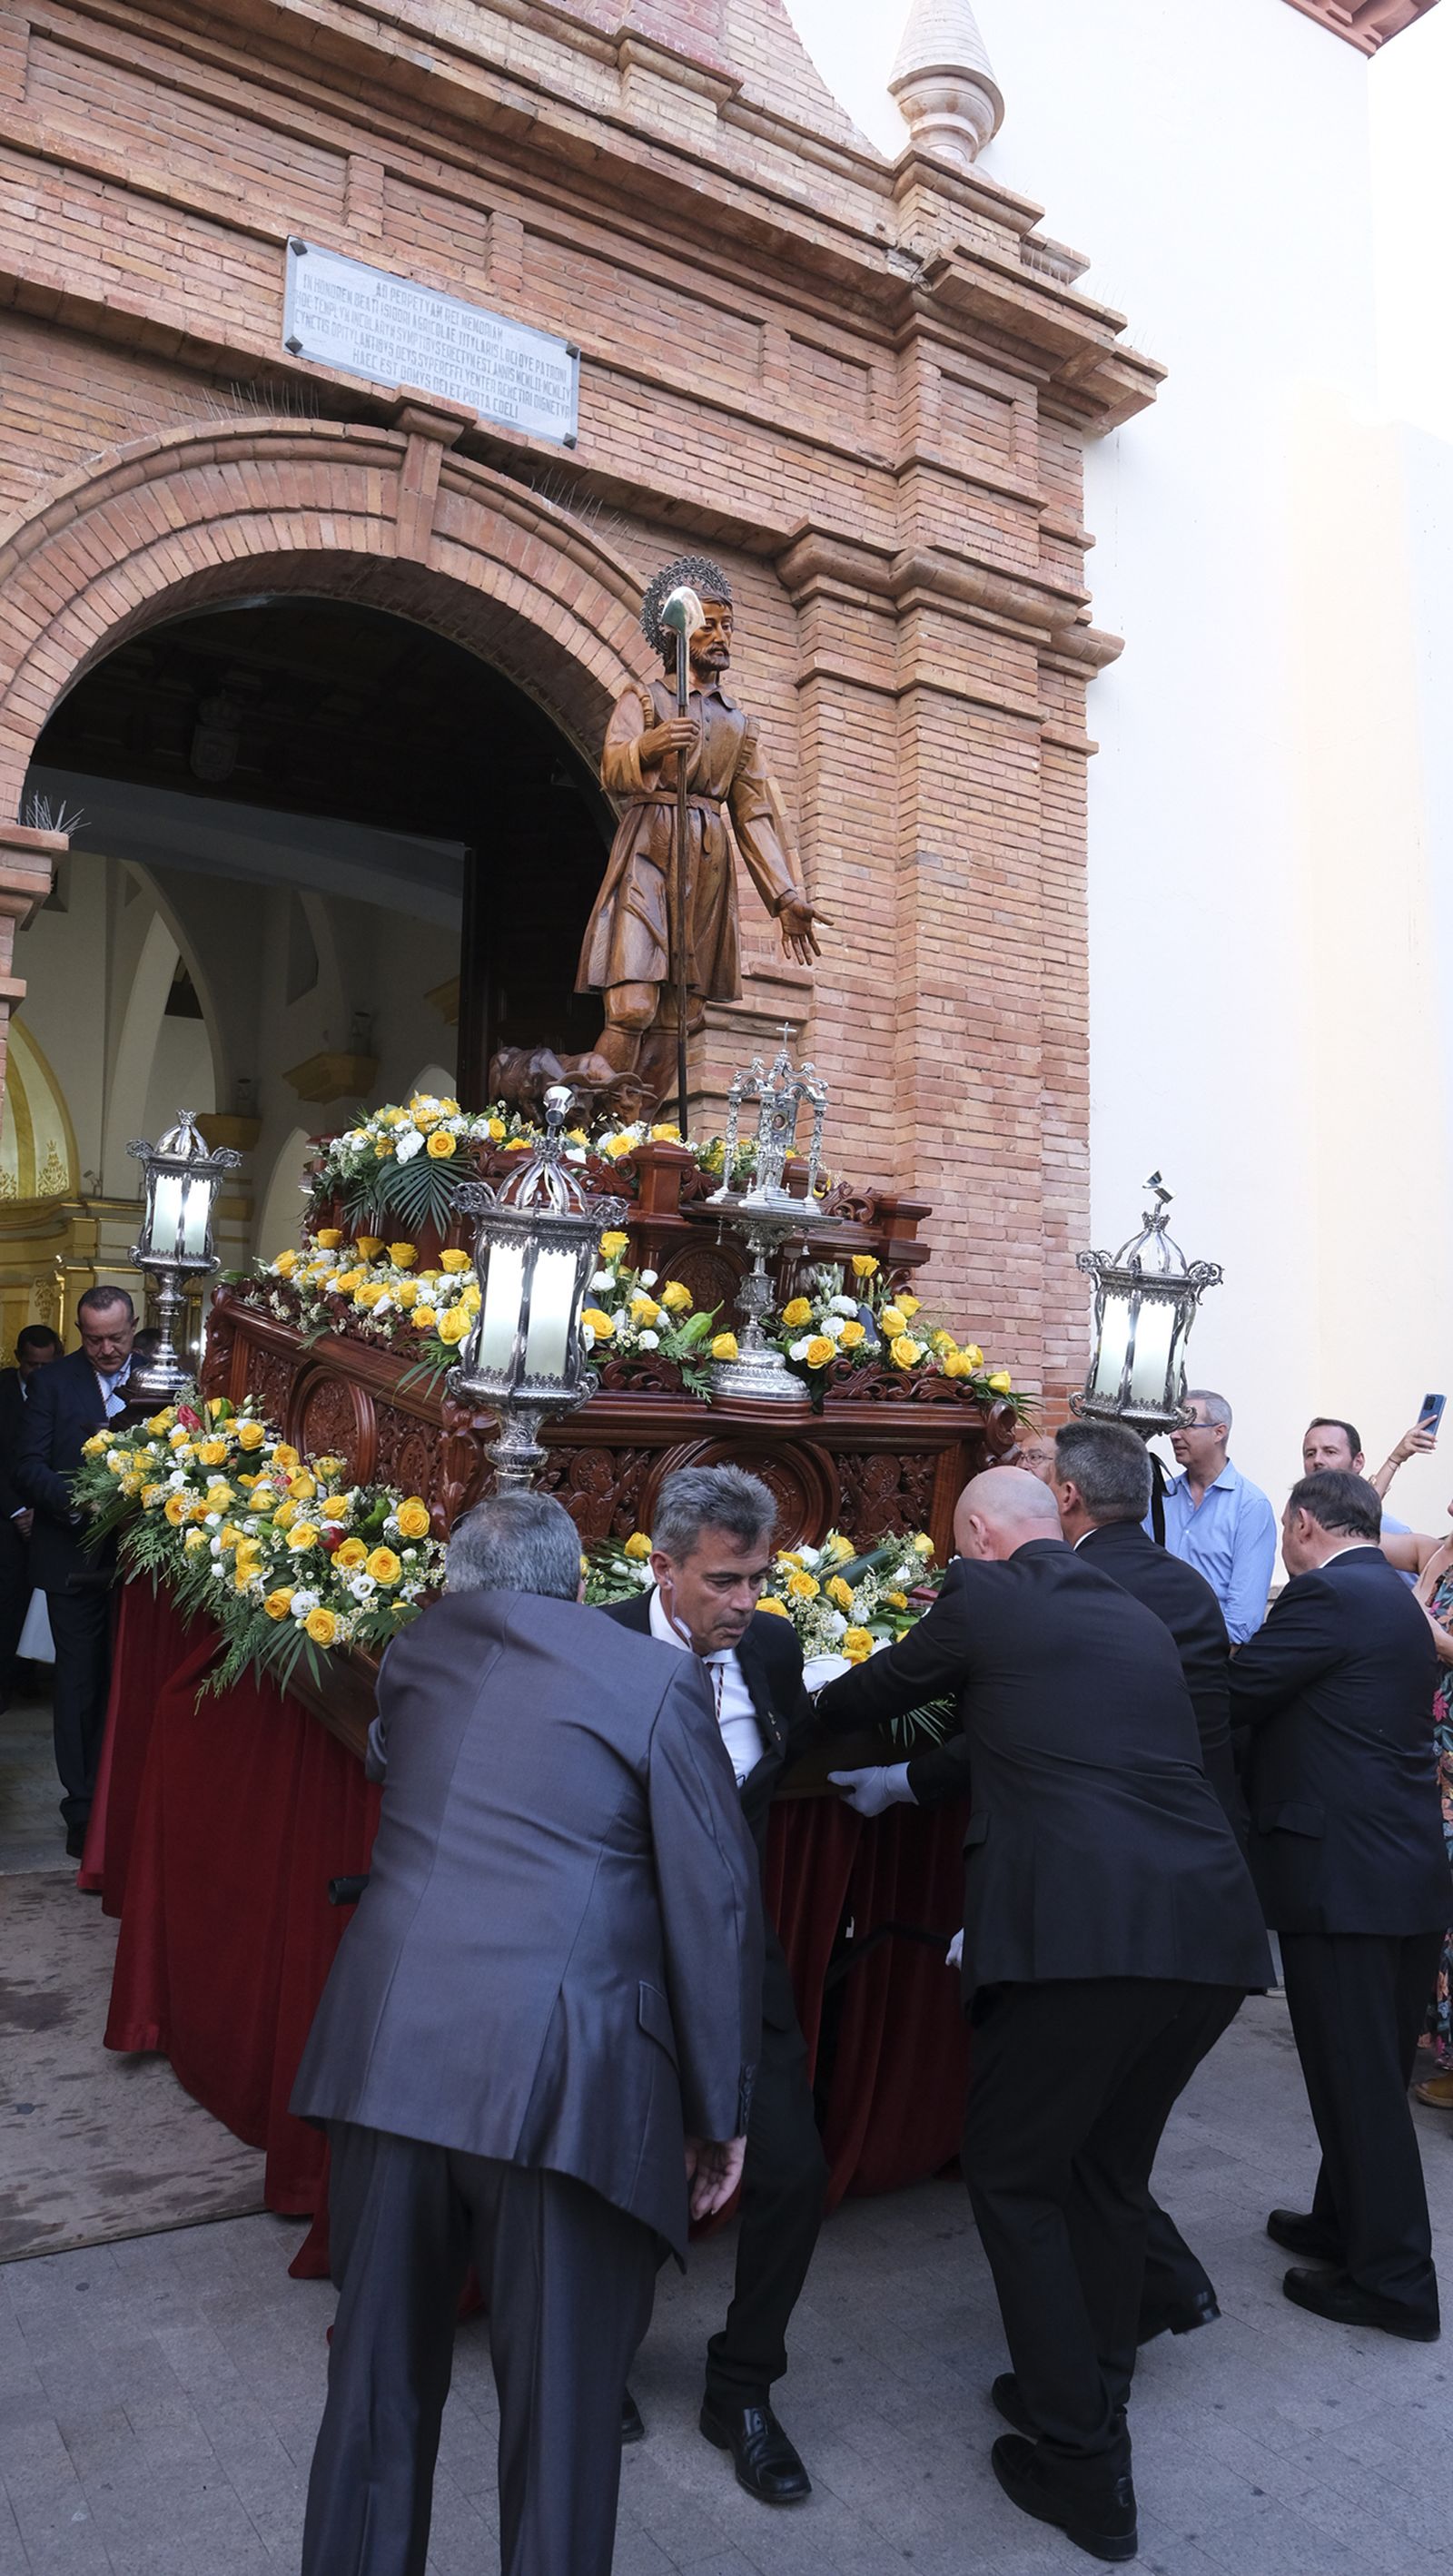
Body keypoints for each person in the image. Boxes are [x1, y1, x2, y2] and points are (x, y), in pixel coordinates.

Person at [292, 1488, 762, 2576]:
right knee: (559, 2414)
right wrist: (716, 2108)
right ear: (579, 1582)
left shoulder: (414, 1654)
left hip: (389, 2055)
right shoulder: (654, 1675)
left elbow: (391, 1754)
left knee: (373, 2389)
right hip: (560, 2078)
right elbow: (714, 1900)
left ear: (459, 1581)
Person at [818, 1468, 1270, 2565]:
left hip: (1087, 1940)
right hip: (1210, 1936)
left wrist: (783, 1704)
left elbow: (866, 1696)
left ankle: (1082, 2463)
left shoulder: (984, 1594)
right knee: (1104, 2171)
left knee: (1015, 2175)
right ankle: (1093, 2384)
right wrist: (910, 1784)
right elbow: (1026, 1734)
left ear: (976, 1535)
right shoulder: (1133, 1610)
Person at [598, 1466, 826, 2504]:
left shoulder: (770, 1647)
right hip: (625, 1964)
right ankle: (594, 2359)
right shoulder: (592, 1641)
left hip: (740, 1964)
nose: (745, 1602)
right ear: (662, 1566)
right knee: (621, 2175)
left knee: (791, 2173)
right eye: (725, 1580)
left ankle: (741, 2387)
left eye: (757, 1578)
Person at [1231, 1471, 1448, 2340]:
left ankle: (1395, 2280)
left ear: (1303, 1524)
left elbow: (1238, 1691)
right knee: (1369, 2070)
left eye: (1286, 1533)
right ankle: (1343, 2222)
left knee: (1356, 2080)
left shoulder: (1324, 1598)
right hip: (1399, 1873)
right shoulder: (1395, 1600)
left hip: (1344, 1880)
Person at [575, 555, 827, 1098]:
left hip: (707, 866)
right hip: (649, 856)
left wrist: (785, 896)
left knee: (678, 1018)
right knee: (632, 1004)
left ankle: (634, 1133)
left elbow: (755, 809)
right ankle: (592, 1131)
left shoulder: (739, 723)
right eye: (708, 624)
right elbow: (612, 766)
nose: (720, 636)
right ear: (677, 631)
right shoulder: (645, 699)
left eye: (727, 625)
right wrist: (651, 745)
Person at [14, 1288, 137, 1854]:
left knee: (131, 1680)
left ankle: (130, 1799)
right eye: (94, 1339)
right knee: (80, 1682)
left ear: (134, 1327)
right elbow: (27, 1468)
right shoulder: (53, 1381)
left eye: (116, 1337)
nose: (107, 1349)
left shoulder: (166, 1375)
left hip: (143, 1564)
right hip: (72, 1558)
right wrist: (84, 1499)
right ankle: (83, 1810)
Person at [1379, 1503, 1453, 2107]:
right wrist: (1388, 1463)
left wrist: (1418, 1624)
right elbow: (1357, 1533)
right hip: (1424, 1763)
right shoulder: (1436, 1551)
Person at [1155, 1388, 1277, 1643]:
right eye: (1174, 1426)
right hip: (1157, 1651)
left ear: (1218, 1432)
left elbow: (1244, 1618)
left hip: (1214, 1659)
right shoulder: (1159, 1498)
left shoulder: (1250, 1506)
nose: (1174, 1435)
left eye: (1187, 1426)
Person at [0, 1323, 62, 1706]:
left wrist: (42, 1507)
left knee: (42, 1596)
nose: (38, 1373)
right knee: (8, 1598)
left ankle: (28, 1675)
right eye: (32, 1366)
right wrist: (18, 1510)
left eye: (46, 1365)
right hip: (5, 1514)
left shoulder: (61, 1391)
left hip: (49, 1512)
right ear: (19, 1359)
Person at [1301, 1417, 1415, 1573]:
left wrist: (1395, 1459)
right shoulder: (1299, 1521)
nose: (1317, 1460)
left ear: (1358, 1462)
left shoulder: (1390, 1531)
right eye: (1310, 1453)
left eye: (1330, 1452)